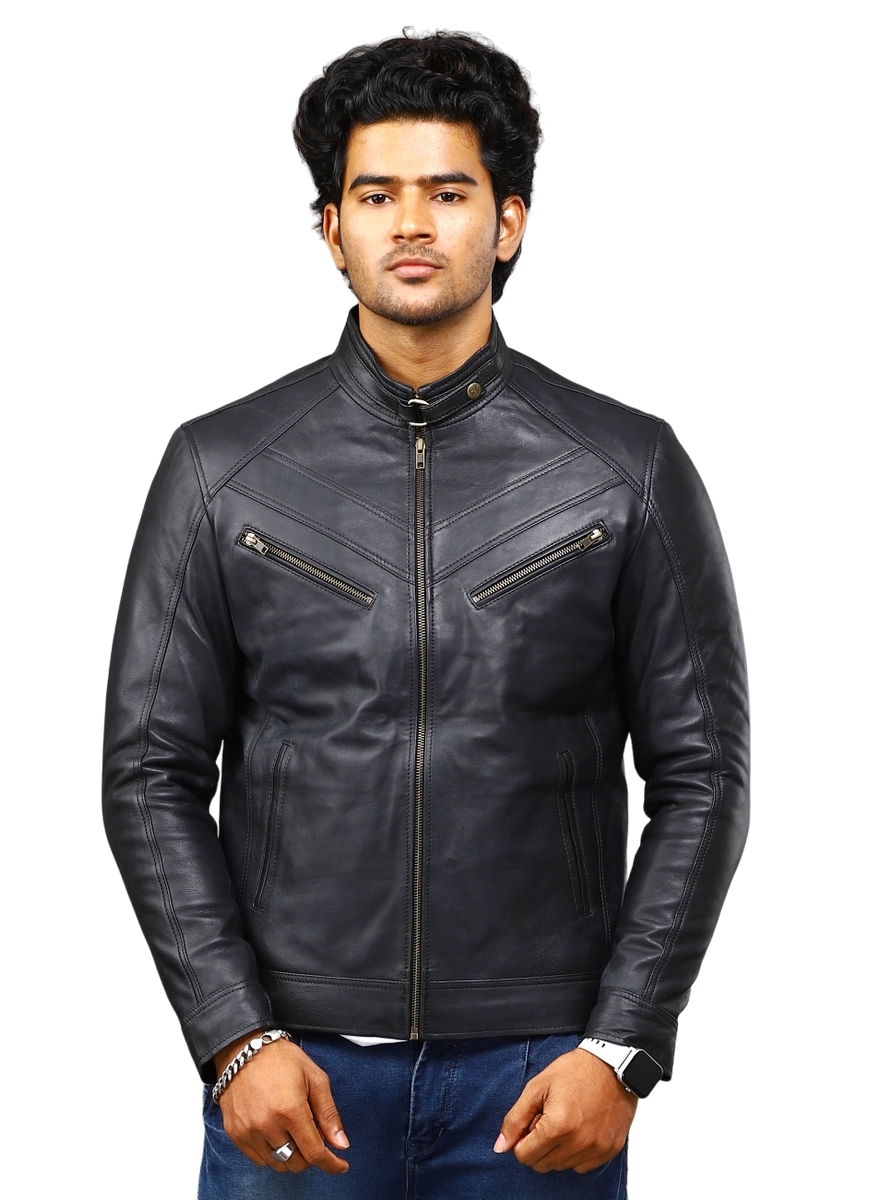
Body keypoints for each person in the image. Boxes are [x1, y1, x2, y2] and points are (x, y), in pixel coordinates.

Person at [101, 23, 751, 1198]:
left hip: (540, 1074)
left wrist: (623, 1046)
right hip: (291, 1073)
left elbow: (702, 771)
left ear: (508, 223)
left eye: (447, 192)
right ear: (327, 229)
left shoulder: (627, 466)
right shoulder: (219, 466)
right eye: (375, 194)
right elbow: (150, 768)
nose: (411, 224)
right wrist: (231, 1033)